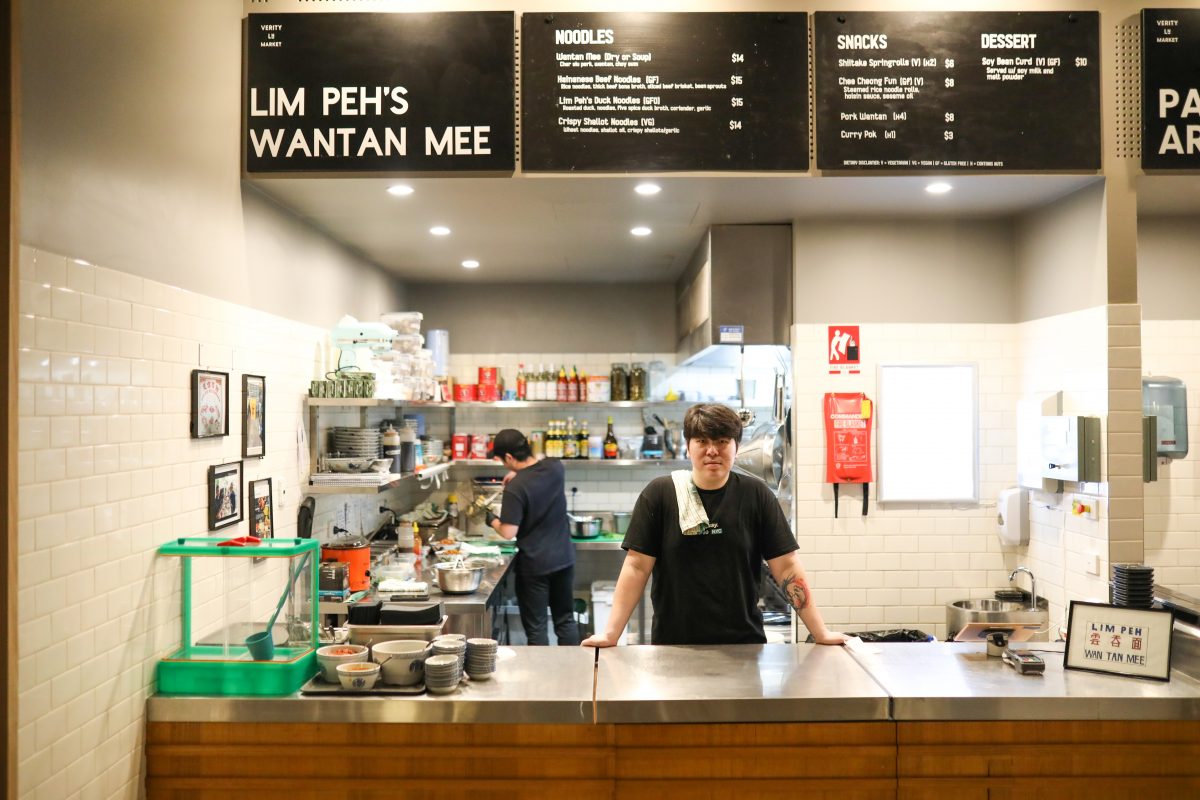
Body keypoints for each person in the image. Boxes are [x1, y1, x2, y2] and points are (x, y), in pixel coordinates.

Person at [581, 403, 848, 647]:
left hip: (744, 645)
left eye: (722, 441)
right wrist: (610, 634)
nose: (712, 450)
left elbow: (787, 567)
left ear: (736, 446)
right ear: (688, 446)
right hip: (673, 645)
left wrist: (820, 632)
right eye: (702, 441)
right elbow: (637, 566)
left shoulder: (756, 495)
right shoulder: (660, 494)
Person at [485, 428, 580, 646]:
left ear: (509, 457)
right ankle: (576, 674)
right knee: (565, 621)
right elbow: (540, 462)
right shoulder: (555, 468)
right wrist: (519, 473)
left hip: (535, 566)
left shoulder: (515, 488)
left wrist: (490, 519)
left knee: (537, 628)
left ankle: (542, 678)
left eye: (502, 460)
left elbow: (509, 532)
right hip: (564, 559)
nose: (504, 465)